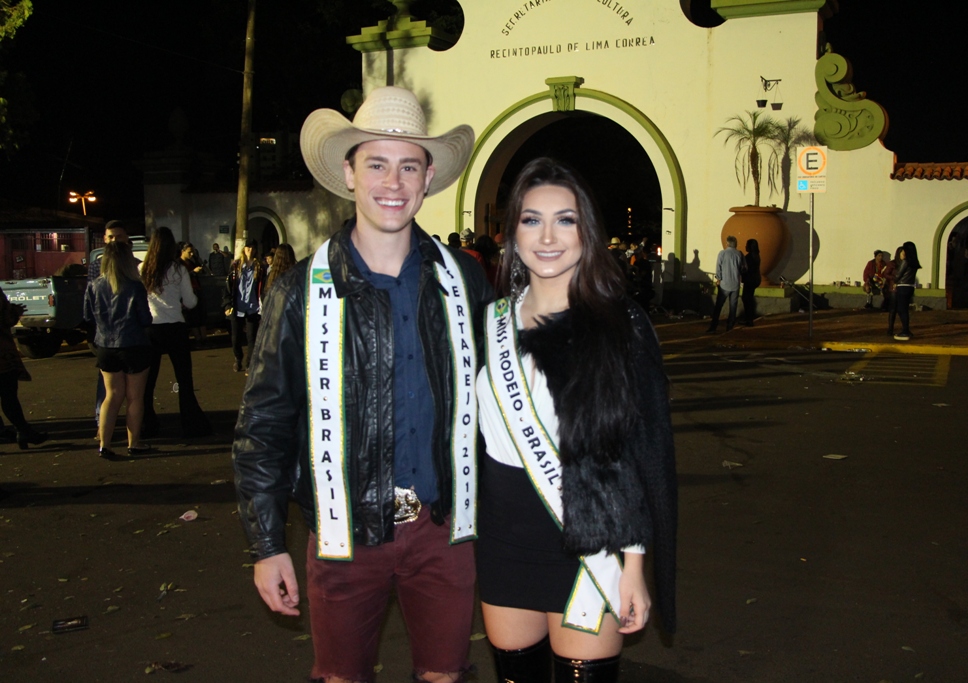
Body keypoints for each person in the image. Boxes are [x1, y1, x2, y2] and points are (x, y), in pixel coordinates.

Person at [232, 86, 491, 683]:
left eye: (408, 166)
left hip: (442, 530)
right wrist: (266, 544)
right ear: (349, 173)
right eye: (376, 163)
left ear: (427, 180)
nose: (392, 182)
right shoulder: (298, 290)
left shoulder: (466, 282)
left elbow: (502, 395)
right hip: (343, 535)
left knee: (446, 675)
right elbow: (264, 424)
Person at [477, 158, 676, 683]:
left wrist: (635, 564)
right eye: (530, 219)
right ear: (511, 232)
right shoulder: (490, 321)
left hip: (592, 541)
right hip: (503, 539)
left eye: (564, 220)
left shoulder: (619, 324)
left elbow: (636, 452)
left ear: (586, 231)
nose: (547, 236)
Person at [140, 227, 212, 439]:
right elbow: (190, 301)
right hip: (175, 326)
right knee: (183, 378)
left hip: (151, 327)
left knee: (148, 380)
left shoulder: (143, 268)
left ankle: (147, 423)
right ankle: (191, 423)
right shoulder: (178, 269)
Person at [83, 241, 152, 459]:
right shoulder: (135, 286)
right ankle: (134, 443)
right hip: (133, 345)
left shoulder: (95, 285)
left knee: (111, 397)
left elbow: (87, 316)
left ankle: (105, 444)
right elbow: (145, 318)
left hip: (105, 345)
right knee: (135, 397)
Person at [87, 220, 133, 438]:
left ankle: (135, 425)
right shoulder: (98, 264)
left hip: (130, 332)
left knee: (133, 386)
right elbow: (91, 297)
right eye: (111, 237)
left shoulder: (132, 263)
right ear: (105, 239)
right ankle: (102, 425)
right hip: (106, 333)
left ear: (127, 238)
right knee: (107, 385)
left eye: (119, 236)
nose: (114, 241)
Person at [0, 285, 46, 449]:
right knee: (8, 394)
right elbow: (5, 317)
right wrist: (15, 311)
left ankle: (21, 430)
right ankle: (23, 430)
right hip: (2, 353)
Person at [222, 238, 265, 373]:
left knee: (251, 337)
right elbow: (228, 287)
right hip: (238, 306)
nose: (250, 250)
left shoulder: (259, 267)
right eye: (247, 248)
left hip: (253, 307)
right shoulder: (235, 266)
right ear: (243, 249)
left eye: (252, 248)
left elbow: (262, 287)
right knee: (235, 338)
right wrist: (227, 305)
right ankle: (238, 358)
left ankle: (249, 363)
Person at [707, 235, 746, 333]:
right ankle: (730, 326)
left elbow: (718, 267)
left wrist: (719, 278)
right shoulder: (739, 254)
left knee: (719, 306)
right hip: (735, 284)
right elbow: (744, 268)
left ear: (727, 243)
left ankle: (713, 327)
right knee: (733, 307)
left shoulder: (722, 253)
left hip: (725, 284)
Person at [888, 241, 921, 340]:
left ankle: (905, 330)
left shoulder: (906, 261)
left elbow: (898, 275)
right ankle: (906, 329)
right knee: (904, 309)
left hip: (902, 286)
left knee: (901, 310)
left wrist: (895, 281)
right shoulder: (914, 262)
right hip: (910, 286)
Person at [178, 242, 207, 345]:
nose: (191, 255)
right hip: (188, 291)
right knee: (193, 316)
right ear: (182, 251)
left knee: (201, 315)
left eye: (193, 252)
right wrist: (193, 272)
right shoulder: (179, 264)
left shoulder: (192, 262)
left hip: (197, 289)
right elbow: (181, 278)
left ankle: (203, 338)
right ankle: (198, 339)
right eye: (189, 252)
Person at [742, 238, 761, 326]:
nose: (745, 246)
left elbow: (745, 269)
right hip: (755, 279)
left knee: (746, 299)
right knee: (749, 298)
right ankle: (749, 318)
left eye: (747, 245)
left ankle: (748, 319)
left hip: (749, 280)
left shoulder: (748, 257)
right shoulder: (756, 256)